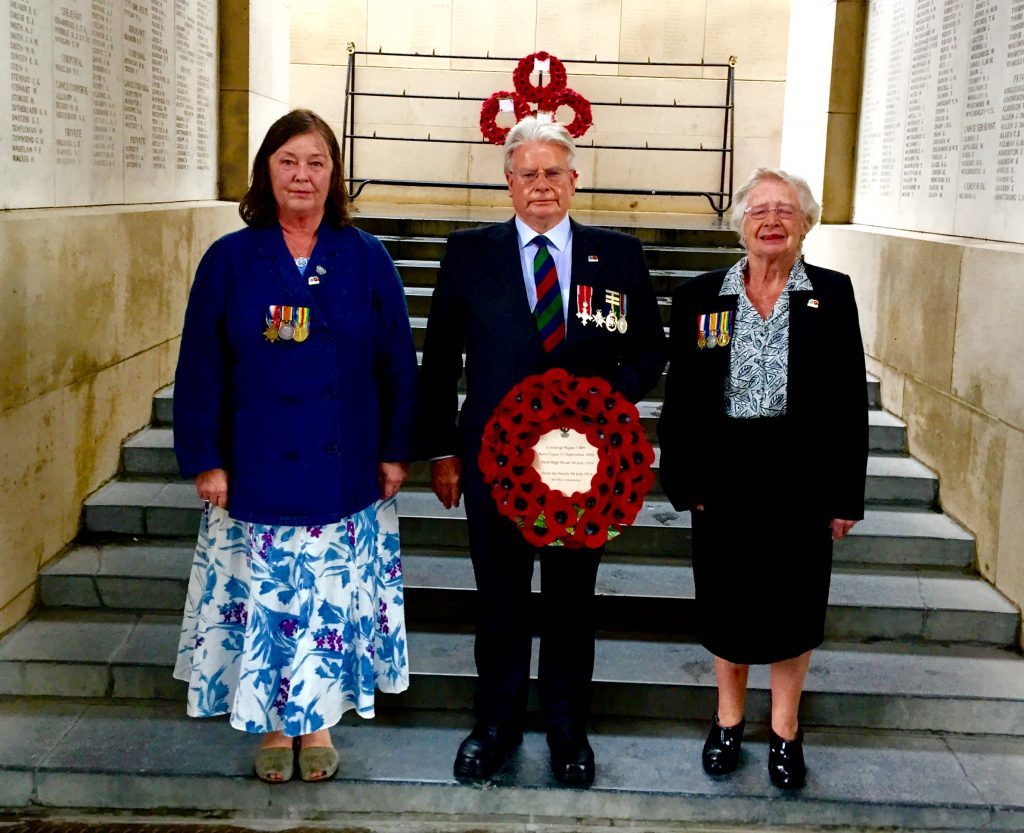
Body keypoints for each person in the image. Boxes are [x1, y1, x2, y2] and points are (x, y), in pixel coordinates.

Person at [419, 117, 667, 787]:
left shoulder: (617, 255)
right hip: (492, 464)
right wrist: (442, 450)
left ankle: (566, 727)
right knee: (498, 597)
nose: (541, 185)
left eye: (553, 172)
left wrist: (604, 401)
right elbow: (440, 359)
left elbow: (649, 349)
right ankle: (494, 724)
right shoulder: (469, 254)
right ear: (508, 184)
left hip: (581, 468)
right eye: (527, 173)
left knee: (570, 601)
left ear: (574, 180)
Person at [171, 109, 418, 784]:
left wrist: (397, 450)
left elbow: (398, 358)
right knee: (270, 603)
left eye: (315, 161)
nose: (302, 175)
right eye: (288, 161)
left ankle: (318, 722)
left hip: (344, 471)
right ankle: (275, 725)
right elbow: (201, 365)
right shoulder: (230, 258)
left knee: (326, 605)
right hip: (255, 466)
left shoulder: (365, 257)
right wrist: (206, 458)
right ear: (267, 172)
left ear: (333, 173)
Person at [657, 168, 868, 789]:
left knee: (793, 607)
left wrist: (845, 494)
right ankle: (726, 723)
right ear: (740, 223)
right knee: (726, 603)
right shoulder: (702, 297)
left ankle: (784, 732)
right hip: (721, 481)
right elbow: (683, 398)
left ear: (805, 222)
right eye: (758, 210)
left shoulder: (832, 294)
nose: (771, 220)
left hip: (801, 481)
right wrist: (682, 475)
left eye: (785, 210)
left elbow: (848, 402)